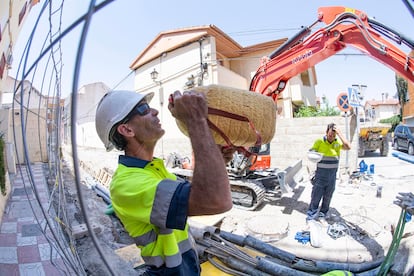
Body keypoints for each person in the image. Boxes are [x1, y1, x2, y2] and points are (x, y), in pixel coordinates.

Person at [95, 89, 234, 275]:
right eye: (144, 109)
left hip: (187, 268)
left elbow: (197, 195)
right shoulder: (126, 184)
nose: (155, 111)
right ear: (127, 130)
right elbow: (215, 200)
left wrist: (216, 158)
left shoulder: (155, 169)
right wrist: (196, 121)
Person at [306, 123, 351, 222]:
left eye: (333, 135)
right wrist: (312, 152)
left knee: (328, 196)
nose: (331, 137)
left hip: (332, 175)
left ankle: (323, 214)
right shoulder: (319, 141)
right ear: (326, 133)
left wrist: (340, 134)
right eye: (330, 135)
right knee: (316, 196)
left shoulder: (337, 143)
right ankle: (311, 217)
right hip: (321, 174)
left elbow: (348, 147)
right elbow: (311, 151)